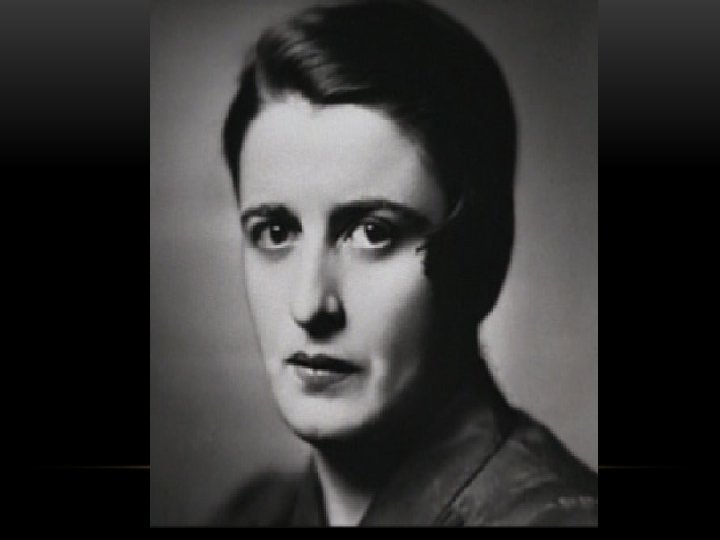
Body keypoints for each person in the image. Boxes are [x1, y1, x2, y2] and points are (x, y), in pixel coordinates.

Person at [213, 0, 597, 526]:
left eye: (373, 233)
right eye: (275, 233)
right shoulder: (254, 515)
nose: (309, 305)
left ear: (480, 260)